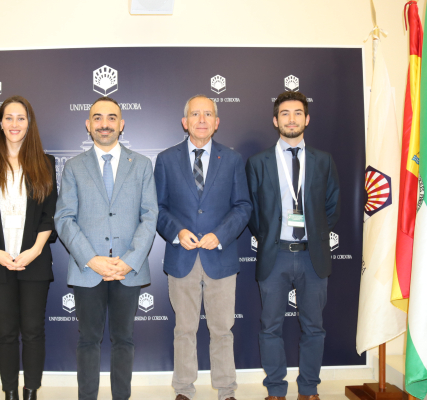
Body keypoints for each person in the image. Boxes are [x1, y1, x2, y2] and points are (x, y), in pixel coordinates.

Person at [54, 96, 158, 400]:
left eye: (111, 118)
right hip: (89, 270)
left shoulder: (141, 165)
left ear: (121, 124)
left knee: (124, 340)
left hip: (128, 269)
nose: (104, 124)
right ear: (88, 125)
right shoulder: (73, 167)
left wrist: (130, 260)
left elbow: (150, 216)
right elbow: (64, 218)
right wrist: (91, 259)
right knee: (88, 340)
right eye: (97, 118)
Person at [154, 95, 252, 400]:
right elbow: (157, 208)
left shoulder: (233, 159)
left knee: (222, 330)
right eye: (194, 114)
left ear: (217, 122)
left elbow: (243, 206)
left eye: (207, 114)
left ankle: (226, 391)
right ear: (185, 122)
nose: (201, 119)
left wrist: (220, 235)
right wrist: (177, 231)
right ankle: (184, 390)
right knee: (184, 330)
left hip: (220, 258)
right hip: (181, 257)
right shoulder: (167, 159)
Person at [245, 91, 340, 400]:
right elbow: (253, 212)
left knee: (314, 327)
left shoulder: (323, 160)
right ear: (275, 121)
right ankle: (275, 390)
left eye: (297, 113)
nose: (291, 119)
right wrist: (271, 235)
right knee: (269, 327)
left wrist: (313, 231)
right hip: (276, 255)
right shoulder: (258, 162)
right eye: (284, 113)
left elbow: (332, 206)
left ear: (307, 119)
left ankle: (309, 389)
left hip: (313, 257)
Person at [0, 96, 57, 400]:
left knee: (33, 331)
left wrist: (33, 251)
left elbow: (49, 216)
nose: (14, 124)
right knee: (5, 333)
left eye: (21, 118)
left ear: (29, 124)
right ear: (0, 123)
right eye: (8, 118)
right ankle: (9, 393)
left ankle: (31, 391)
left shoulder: (46, 163)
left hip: (34, 259)